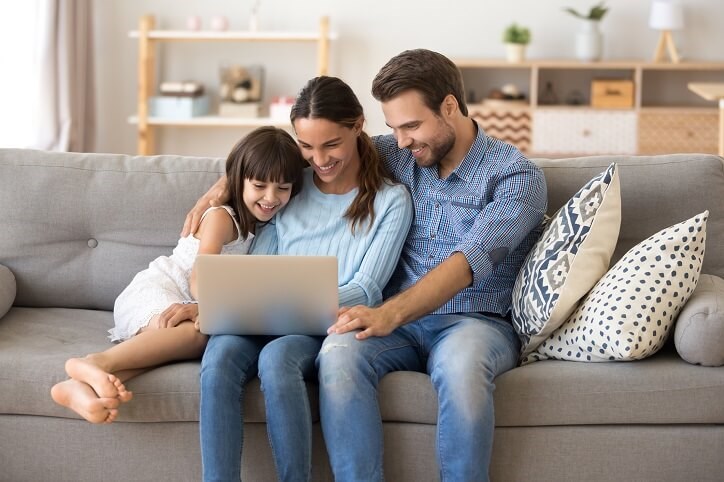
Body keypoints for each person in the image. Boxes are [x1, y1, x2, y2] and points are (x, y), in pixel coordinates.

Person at [316, 49, 548, 481]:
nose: (402, 139)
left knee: (462, 368)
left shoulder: (516, 177)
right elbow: (320, 153)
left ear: (449, 106)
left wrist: (389, 313)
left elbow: (466, 264)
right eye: (394, 128)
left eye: (411, 125)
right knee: (337, 354)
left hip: (475, 322)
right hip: (399, 327)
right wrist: (223, 186)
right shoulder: (401, 156)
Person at [182, 76, 413, 482]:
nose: (318, 159)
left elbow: (366, 288)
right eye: (306, 146)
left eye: (331, 145)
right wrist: (218, 301)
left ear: (358, 127)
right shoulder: (289, 187)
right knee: (217, 357)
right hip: (261, 311)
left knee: (276, 359)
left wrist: (279, 302)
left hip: (321, 323)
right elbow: (260, 259)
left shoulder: (390, 200)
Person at [50, 126, 305, 425]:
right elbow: (201, 275)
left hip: (184, 302)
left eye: (283, 188)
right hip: (157, 289)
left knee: (188, 343)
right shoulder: (222, 217)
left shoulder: (260, 224)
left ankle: (78, 386)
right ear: (238, 181)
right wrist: (210, 308)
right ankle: (94, 361)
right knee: (198, 335)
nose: (271, 197)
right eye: (259, 186)